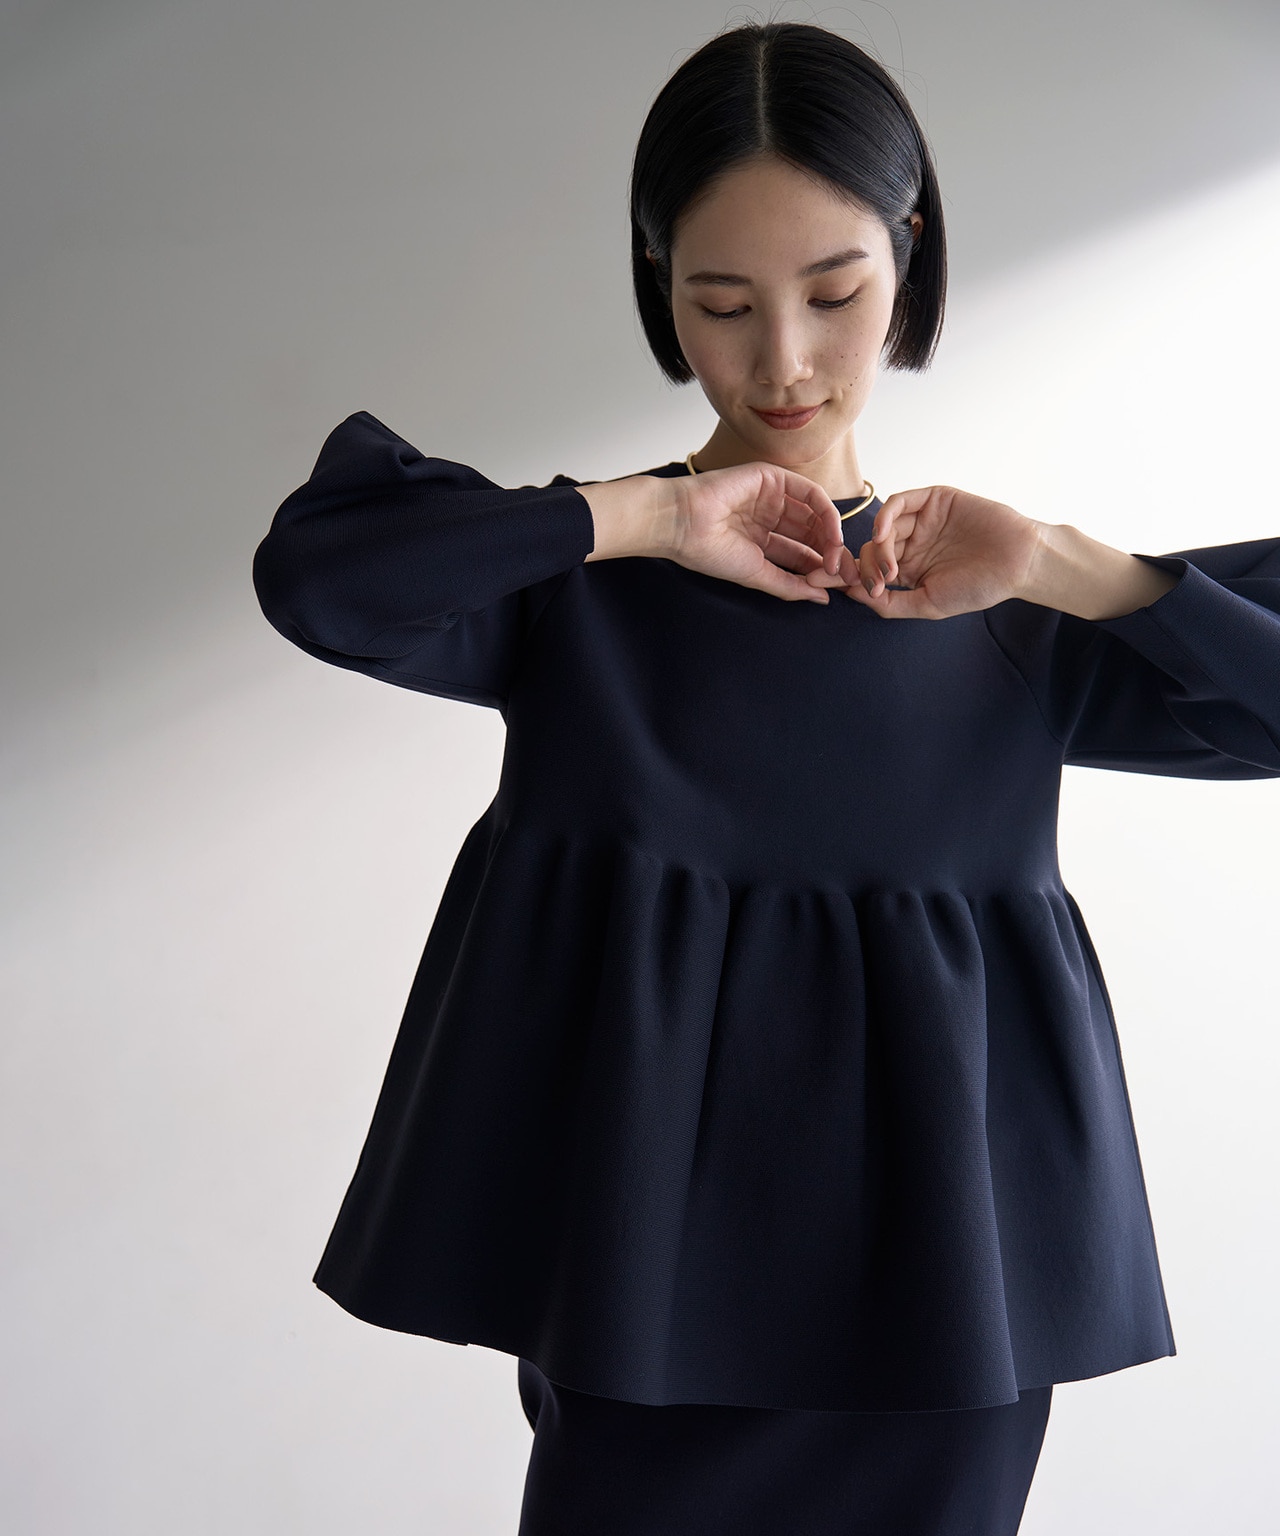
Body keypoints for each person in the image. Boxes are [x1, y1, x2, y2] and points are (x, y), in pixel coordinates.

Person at [251, 20, 1280, 1536]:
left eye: (834, 294)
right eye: (721, 303)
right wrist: (646, 519)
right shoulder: (579, 593)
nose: (783, 360)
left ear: (910, 256)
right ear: (658, 281)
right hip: (638, 1310)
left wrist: (1071, 563)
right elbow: (321, 581)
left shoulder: (1008, 612)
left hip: (946, 1325)